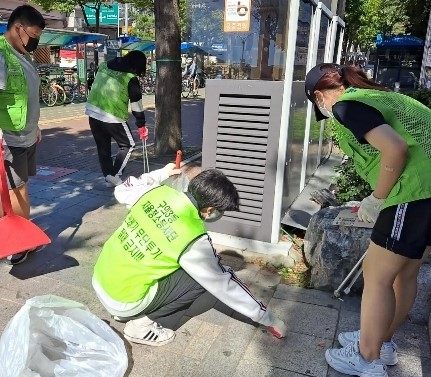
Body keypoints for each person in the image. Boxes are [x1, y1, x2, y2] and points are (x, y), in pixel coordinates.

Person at [305, 63, 431, 376]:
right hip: (425, 191)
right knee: (405, 274)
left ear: (319, 95)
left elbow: (395, 148)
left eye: (317, 102)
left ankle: (367, 358)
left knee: (376, 276)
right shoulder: (381, 96)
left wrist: (377, 199)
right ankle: (381, 342)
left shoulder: (347, 106)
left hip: (414, 192)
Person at [92, 165, 287, 346]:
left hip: (100, 279)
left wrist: (162, 173)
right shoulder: (193, 238)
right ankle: (140, 327)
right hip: (125, 300)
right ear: (209, 210)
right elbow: (223, 284)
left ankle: (125, 309)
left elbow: (123, 189)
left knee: (171, 259)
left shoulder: (155, 192)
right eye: (220, 211)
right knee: (198, 279)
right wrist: (267, 318)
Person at [0, 5, 46, 265]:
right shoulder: (1, 54)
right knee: (18, 190)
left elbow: (27, 97)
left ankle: (16, 235)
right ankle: (21, 244)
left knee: (16, 188)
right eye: (33, 34)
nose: (35, 40)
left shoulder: (24, 56)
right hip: (10, 138)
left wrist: (36, 126)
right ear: (18, 28)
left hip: (27, 135)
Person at [85, 50, 148, 187]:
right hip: (113, 115)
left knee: (103, 148)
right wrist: (141, 124)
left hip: (92, 111)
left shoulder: (104, 65)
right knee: (128, 145)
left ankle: (109, 178)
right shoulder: (130, 77)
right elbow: (136, 104)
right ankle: (114, 175)